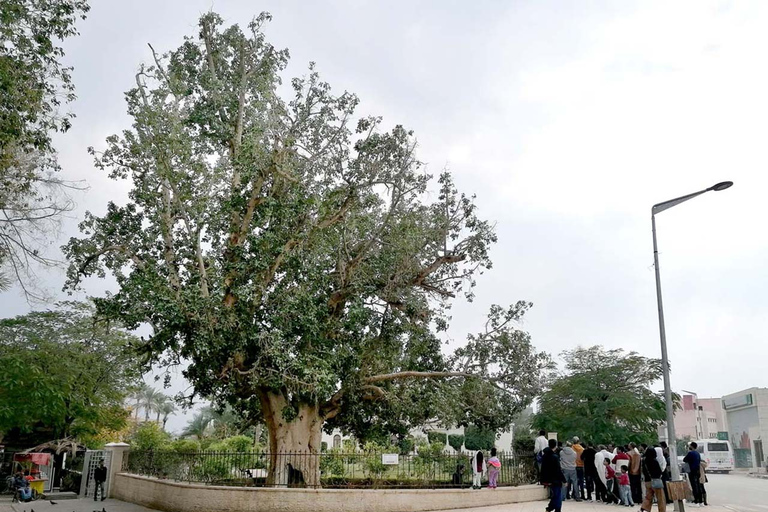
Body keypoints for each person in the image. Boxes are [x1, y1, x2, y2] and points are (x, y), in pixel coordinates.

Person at [541, 439, 566, 512]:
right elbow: (558, 470)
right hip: (555, 479)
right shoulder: (554, 457)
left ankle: (550, 508)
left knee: (555, 495)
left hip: (547, 478)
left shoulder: (545, 455)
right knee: (558, 496)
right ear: (555, 446)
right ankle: (556, 509)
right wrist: (564, 480)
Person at [641, 446, 666, 512]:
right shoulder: (654, 461)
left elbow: (643, 471)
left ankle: (645, 508)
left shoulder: (644, 461)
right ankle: (662, 510)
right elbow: (659, 471)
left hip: (647, 481)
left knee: (648, 496)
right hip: (656, 481)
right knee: (660, 498)